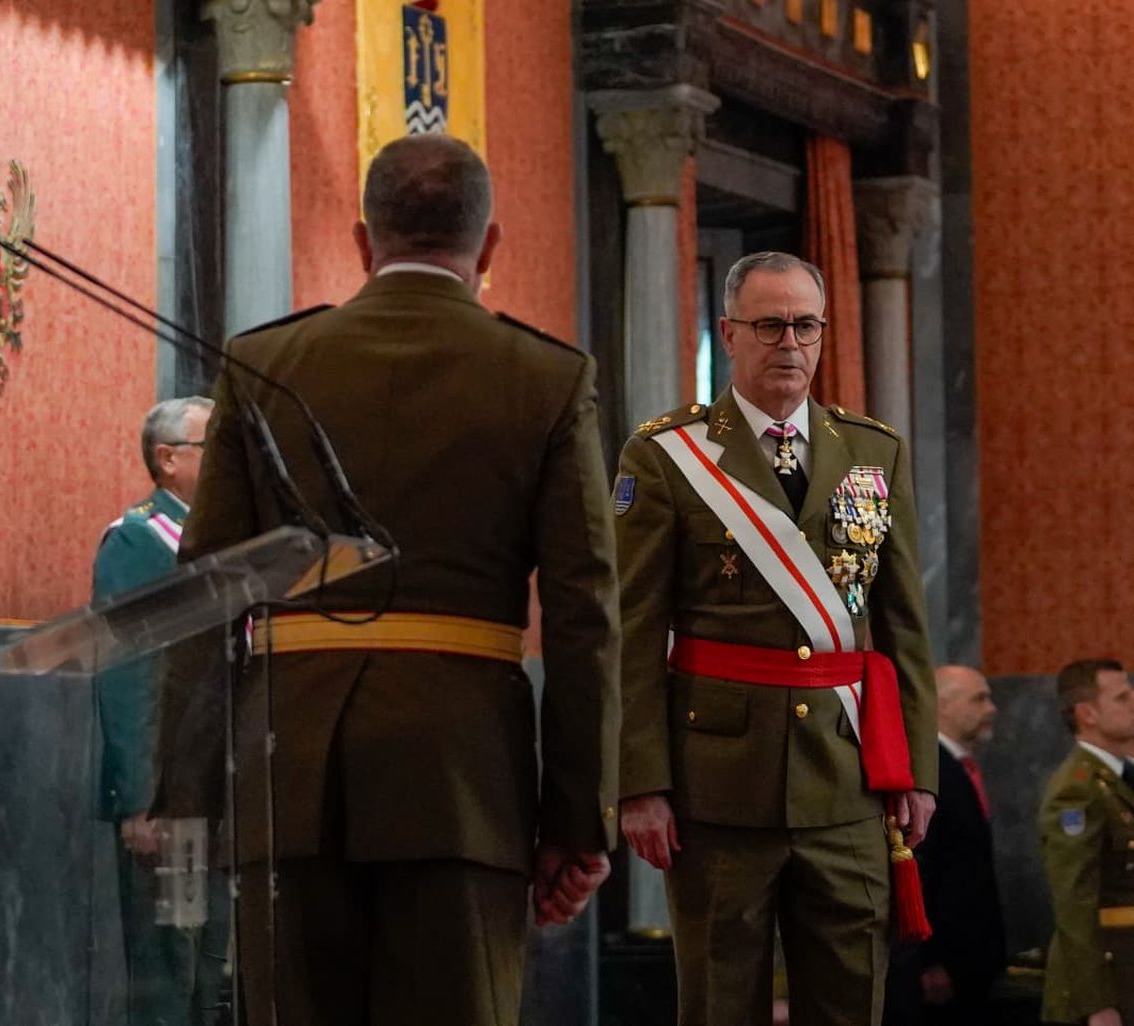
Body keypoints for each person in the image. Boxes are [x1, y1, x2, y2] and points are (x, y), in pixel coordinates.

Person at [153, 133, 621, 1026]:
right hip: (463, 783)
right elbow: (582, 615)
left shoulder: (265, 363)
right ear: (489, 247)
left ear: (364, 240)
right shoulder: (547, 378)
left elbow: (205, 592)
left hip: (284, 774)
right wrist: (574, 821)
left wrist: (189, 798)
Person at [615, 250, 938, 1026]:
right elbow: (630, 632)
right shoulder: (667, 456)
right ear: (728, 333)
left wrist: (918, 770)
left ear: (823, 335)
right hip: (717, 786)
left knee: (851, 1001)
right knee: (721, 1003)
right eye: (769, 325)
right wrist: (638, 783)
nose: (789, 342)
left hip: (847, 780)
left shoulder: (872, 450)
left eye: (805, 325)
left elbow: (902, 623)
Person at [92, 395, 226, 1026]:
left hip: (216, 796)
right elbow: (128, 676)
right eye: (211, 446)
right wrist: (141, 798)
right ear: (168, 459)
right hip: (170, 807)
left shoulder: (218, 541)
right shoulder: (140, 541)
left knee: (213, 977)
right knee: (169, 977)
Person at [886, 665, 1007, 1025]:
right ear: (942, 705)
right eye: (979, 699)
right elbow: (919, 870)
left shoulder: (956, 768)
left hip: (969, 960)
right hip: (940, 966)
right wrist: (928, 959)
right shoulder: (930, 773)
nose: (992, 709)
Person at [1039, 659, 1134, 1026]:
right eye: (1122, 697)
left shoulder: (1116, 778)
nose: (1133, 702)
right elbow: (1074, 902)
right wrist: (1096, 1003)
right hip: (1105, 983)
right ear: (1088, 714)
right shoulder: (1077, 789)